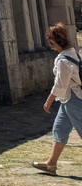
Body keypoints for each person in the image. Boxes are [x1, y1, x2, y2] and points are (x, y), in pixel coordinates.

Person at [32, 23, 82, 175]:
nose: (51, 47)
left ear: (55, 42)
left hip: (73, 99)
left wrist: (49, 100)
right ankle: (51, 164)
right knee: (59, 129)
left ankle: (51, 163)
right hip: (68, 98)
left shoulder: (63, 60)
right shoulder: (74, 53)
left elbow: (60, 84)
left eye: (51, 44)